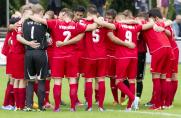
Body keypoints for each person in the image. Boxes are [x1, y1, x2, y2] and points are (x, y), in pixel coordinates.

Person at [17, 4, 49, 111]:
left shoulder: (24, 22)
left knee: (29, 81)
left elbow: (18, 36)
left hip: (29, 53)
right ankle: (41, 106)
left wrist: (28, 43)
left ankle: (29, 106)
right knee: (41, 80)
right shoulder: (44, 22)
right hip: (40, 52)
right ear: (41, 12)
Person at [142, 8, 173, 110]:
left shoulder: (145, 24)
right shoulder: (160, 24)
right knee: (163, 77)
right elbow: (169, 21)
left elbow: (138, 25)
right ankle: (163, 104)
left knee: (156, 78)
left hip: (158, 50)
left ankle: (157, 104)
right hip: (168, 48)